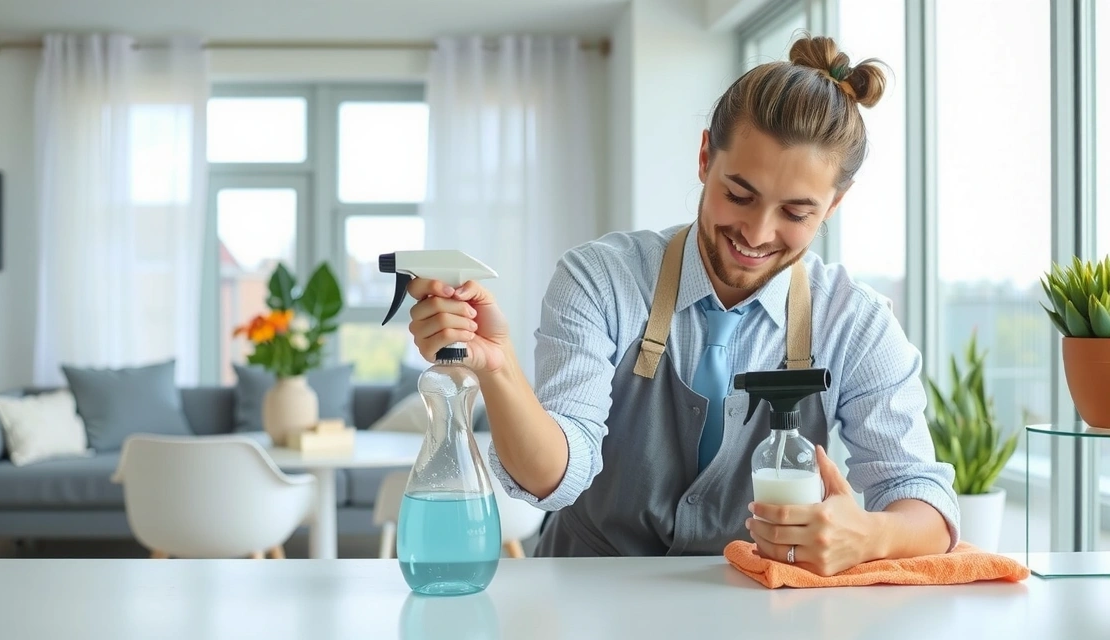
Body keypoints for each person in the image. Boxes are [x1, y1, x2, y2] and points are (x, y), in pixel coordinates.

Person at [401, 35, 959, 576]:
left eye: (795, 213)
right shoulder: (602, 278)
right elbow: (554, 479)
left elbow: (925, 500)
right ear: (703, 158)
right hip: (585, 600)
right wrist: (497, 367)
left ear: (834, 204)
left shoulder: (855, 323)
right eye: (739, 195)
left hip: (756, 608)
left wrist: (869, 534)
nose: (757, 234)